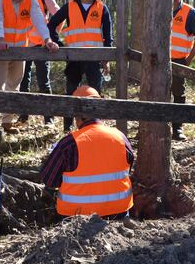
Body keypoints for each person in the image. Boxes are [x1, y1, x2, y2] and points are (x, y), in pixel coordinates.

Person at [0, 0, 59, 142]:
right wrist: (0, 37)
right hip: (0, 52)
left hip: (20, 52)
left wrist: (47, 39)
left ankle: (7, 121)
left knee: (14, 86)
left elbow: (39, 20)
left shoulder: (30, 0)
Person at [40, 86, 134, 218]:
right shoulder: (120, 137)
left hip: (76, 217)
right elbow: (128, 167)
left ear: (77, 115)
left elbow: (49, 180)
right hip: (119, 212)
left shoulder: (69, 143)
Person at [47, 0, 113, 132]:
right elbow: (51, 25)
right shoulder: (69, 6)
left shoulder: (102, 8)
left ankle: (96, 127)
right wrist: (59, 45)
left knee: (95, 93)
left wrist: (106, 58)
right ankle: (68, 127)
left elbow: (108, 36)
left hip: (94, 58)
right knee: (71, 91)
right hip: (74, 58)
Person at [18, 0, 59, 126]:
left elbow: (60, 15)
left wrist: (53, 33)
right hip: (24, 45)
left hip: (42, 46)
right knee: (23, 81)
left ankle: (49, 118)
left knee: (44, 82)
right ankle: (23, 116)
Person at [170, 0, 195, 141]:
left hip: (178, 61)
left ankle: (177, 128)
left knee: (178, 94)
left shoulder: (189, 12)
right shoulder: (159, 9)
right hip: (160, 61)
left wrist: (188, 60)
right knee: (159, 94)